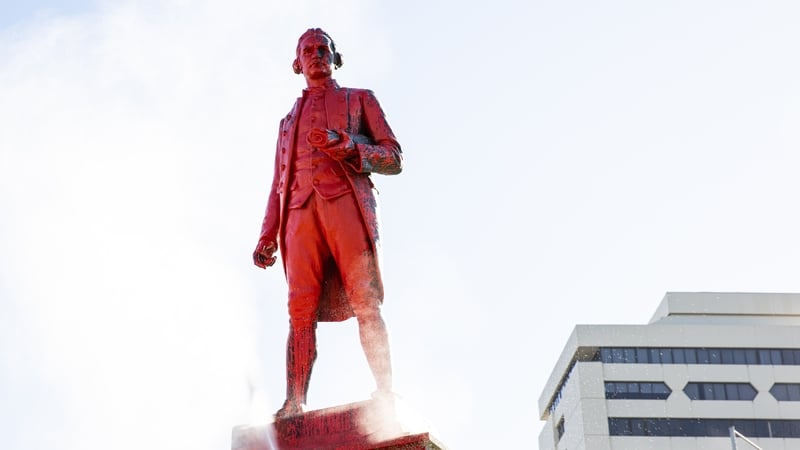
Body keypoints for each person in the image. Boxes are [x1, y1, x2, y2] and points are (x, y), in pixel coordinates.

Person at [252, 28, 402, 418]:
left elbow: (394, 158)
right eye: (308, 51)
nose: (316, 55)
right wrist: (268, 235)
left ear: (336, 58)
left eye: (324, 50)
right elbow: (278, 184)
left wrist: (349, 146)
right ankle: (294, 402)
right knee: (298, 311)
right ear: (297, 63)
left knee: (366, 301)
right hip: (299, 218)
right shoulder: (286, 123)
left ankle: (386, 394)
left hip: (346, 209)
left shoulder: (360, 100)